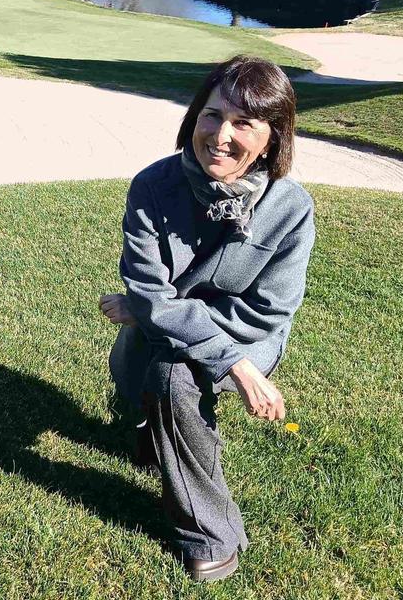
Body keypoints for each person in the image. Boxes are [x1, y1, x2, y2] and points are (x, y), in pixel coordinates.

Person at [100, 55, 316, 583]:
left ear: (272, 138)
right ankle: (156, 435)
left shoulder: (291, 208)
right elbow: (151, 292)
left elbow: (269, 310)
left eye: (244, 122)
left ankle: (211, 535)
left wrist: (165, 320)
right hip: (186, 330)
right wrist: (154, 312)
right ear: (193, 116)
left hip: (250, 336)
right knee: (147, 367)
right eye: (212, 115)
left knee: (173, 373)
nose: (221, 135)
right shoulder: (153, 186)